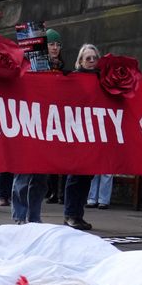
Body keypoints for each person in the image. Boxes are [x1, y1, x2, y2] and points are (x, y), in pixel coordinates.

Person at [63, 43, 103, 231]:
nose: (92, 61)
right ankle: (70, 214)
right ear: (80, 60)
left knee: (87, 175)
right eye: (88, 58)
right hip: (77, 131)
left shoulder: (102, 79)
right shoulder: (73, 78)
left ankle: (78, 214)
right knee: (75, 174)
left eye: (94, 58)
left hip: (94, 132)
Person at [43, 28, 67, 204]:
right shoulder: (39, 66)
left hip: (59, 116)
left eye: (58, 44)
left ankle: (61, 193)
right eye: (51, 44)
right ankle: (51, 191)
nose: (55, 47)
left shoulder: (63, 68)